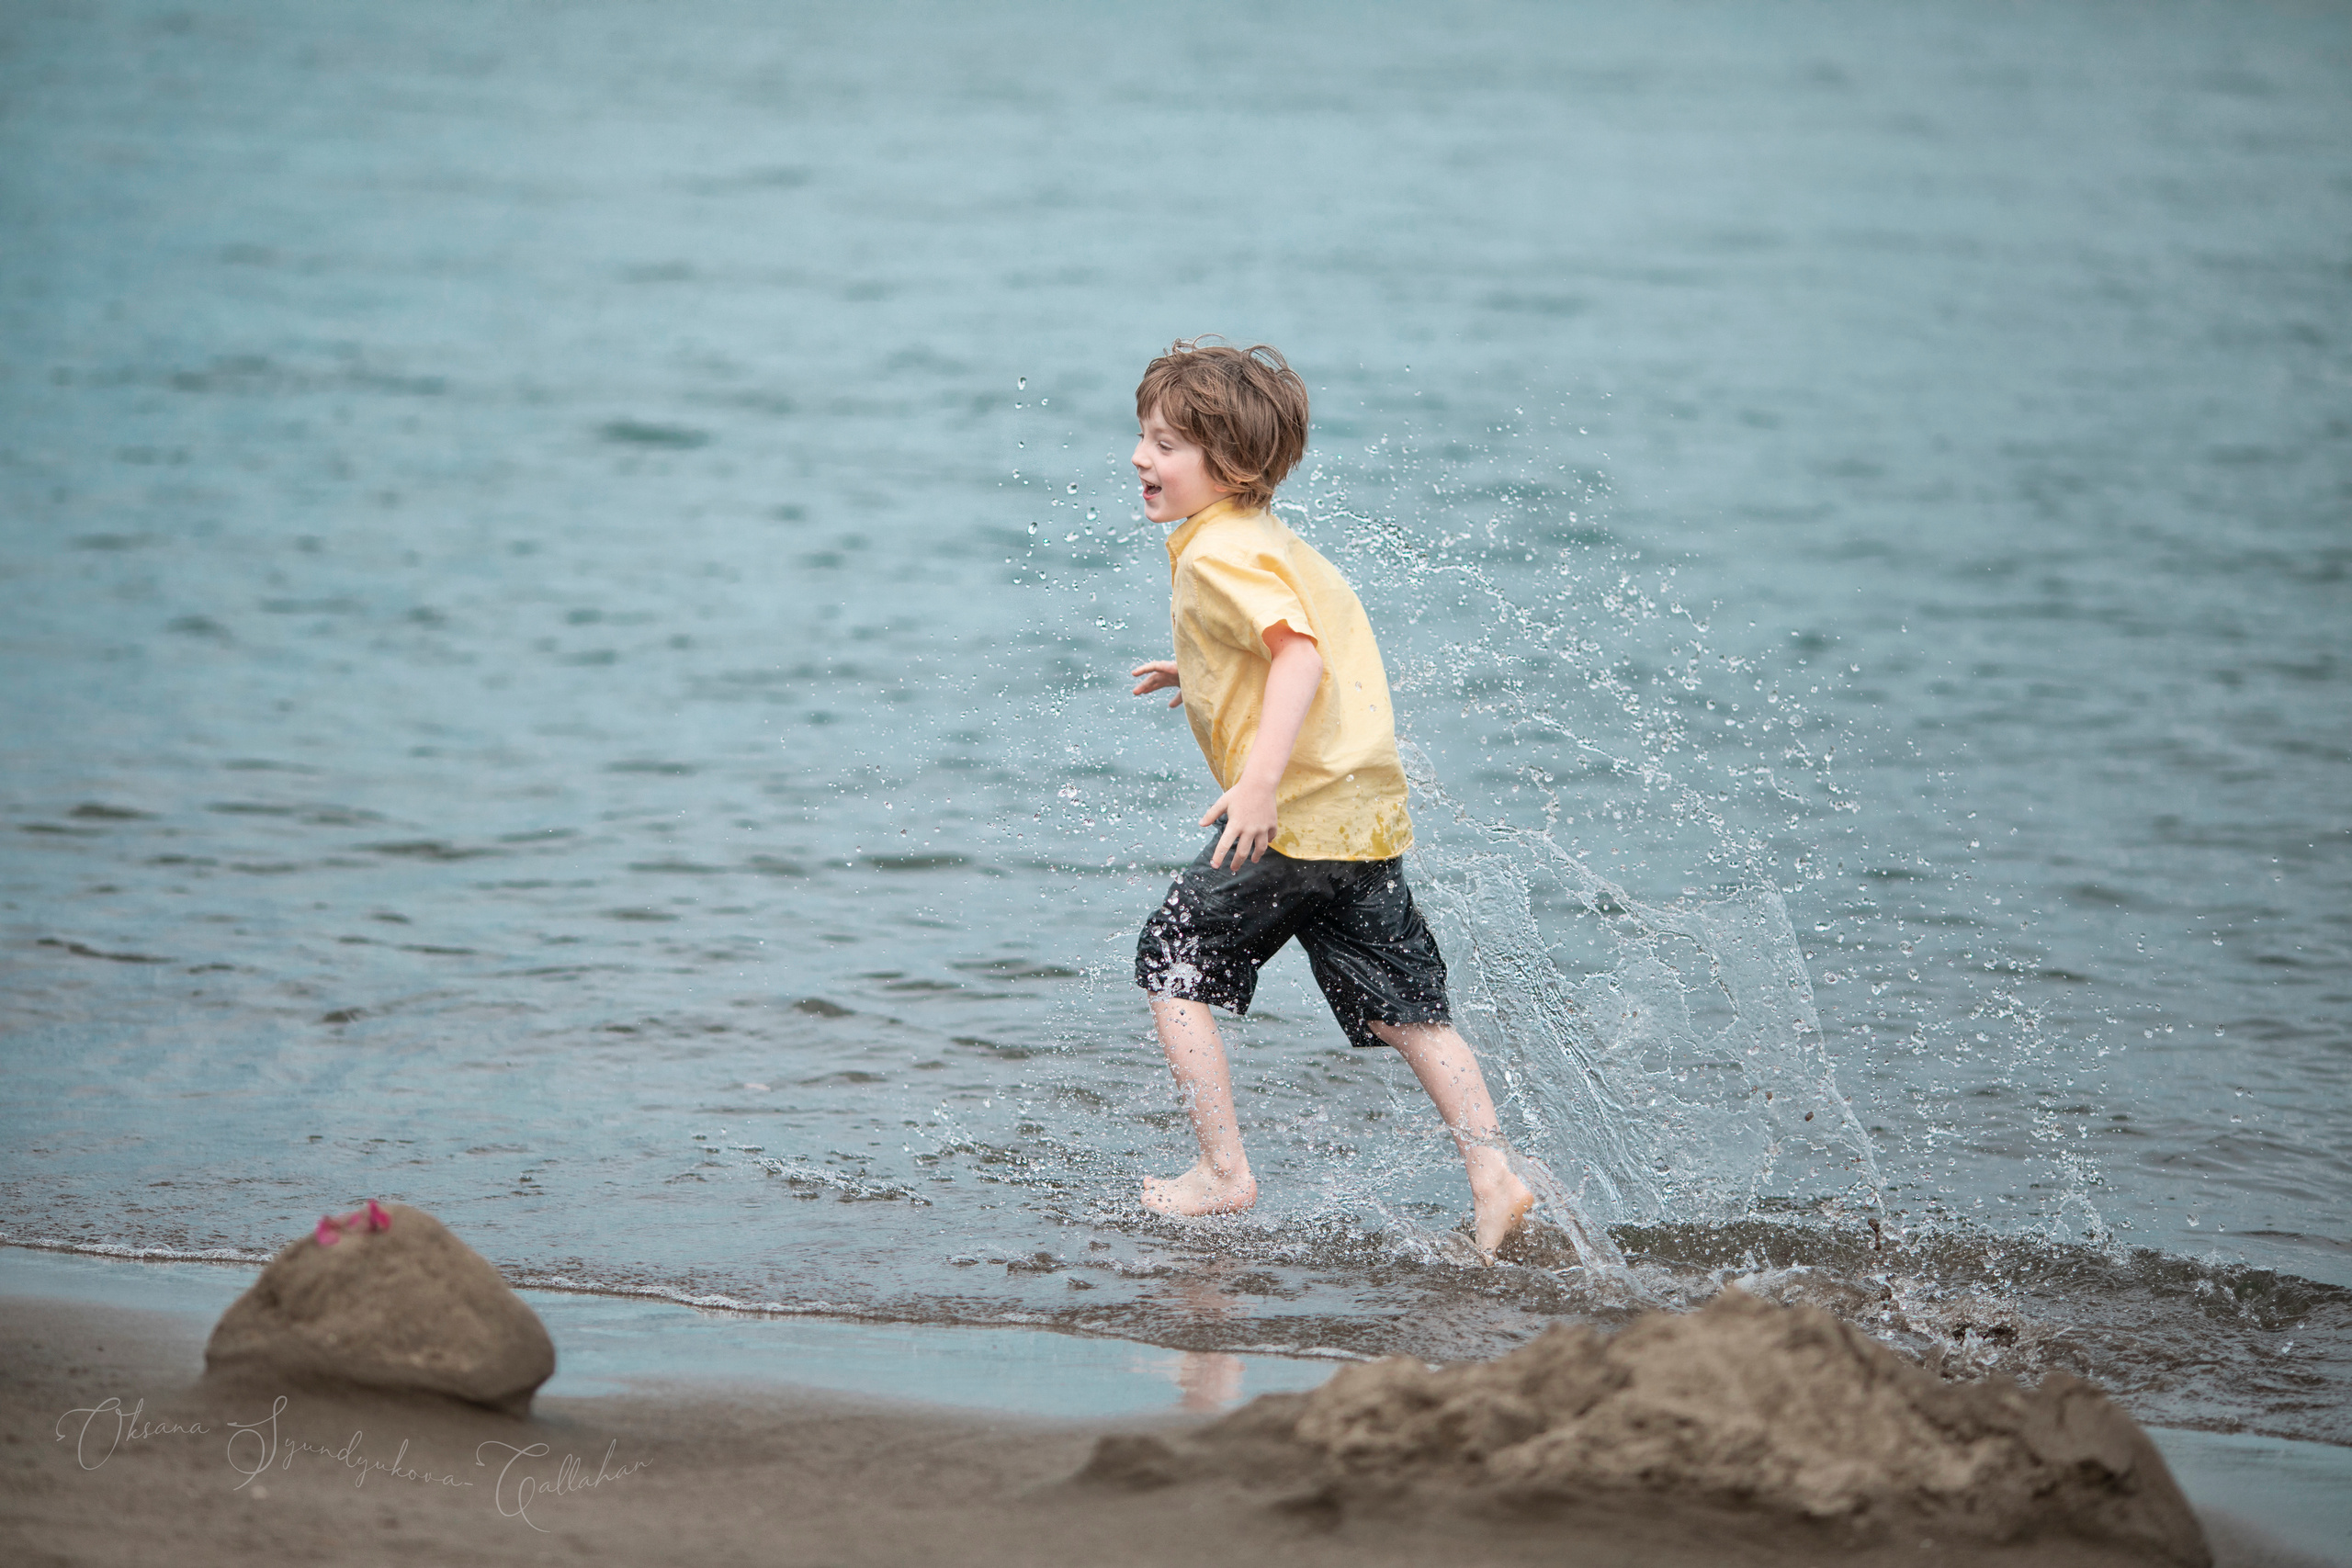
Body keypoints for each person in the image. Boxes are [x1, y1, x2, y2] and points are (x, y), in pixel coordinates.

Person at [1125, 338, 1536, 1259]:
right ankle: (1493, 1176)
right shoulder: (1267, 540)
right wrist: (1200, 674)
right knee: (1404, 1009)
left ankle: (1222, 1172)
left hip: (1291, 817)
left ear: (1230, 467)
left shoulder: (1217, 555)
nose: (1141, 458)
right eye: (1143, 437)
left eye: (1165, 444)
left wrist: (1258, 783)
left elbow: (1299, 658)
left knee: (1172, 962)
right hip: (1361, 815)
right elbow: (1295, 648)